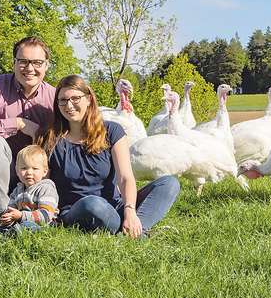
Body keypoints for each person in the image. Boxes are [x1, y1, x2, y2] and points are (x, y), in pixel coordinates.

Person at [38, 75, 180, 238]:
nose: (69, 105)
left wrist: (130, 211)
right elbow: (44, 184)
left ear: (89, 99)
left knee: (169, 183)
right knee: (92, 203)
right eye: (63, 100)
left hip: (115, 206)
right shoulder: (49, 138)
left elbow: (125, 177)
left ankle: (133, 227)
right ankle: (135, 234)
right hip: (78, 210)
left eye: (75, 98)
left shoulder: (112, 131)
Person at [0, 36, 55, 220]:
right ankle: (3, 217)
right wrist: (17, 123)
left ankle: (48, 210)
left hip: (36, 177)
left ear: (46, 65)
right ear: (14, 63)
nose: (30, 68)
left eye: (37, 62)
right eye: (23, 62)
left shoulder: (55, 97)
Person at [0, 144, 59, 237]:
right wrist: (8, 218)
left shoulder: (46, 188)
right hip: (20, 223)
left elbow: (46, 215)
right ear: (17, 171)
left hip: (43, 226)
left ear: (45, 171)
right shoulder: (17, 191)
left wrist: (21, 216)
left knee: (27, 226)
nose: (29, 172)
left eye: (35, 168)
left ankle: (7, 236)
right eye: (24, 168)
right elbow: (11, 209)